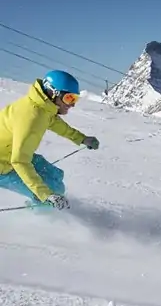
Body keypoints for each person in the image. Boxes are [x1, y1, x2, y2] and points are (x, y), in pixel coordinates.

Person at [0, 70, 100, 210]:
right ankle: (43, 220)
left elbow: (54, 122)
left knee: (55, 175)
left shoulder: (43, 107)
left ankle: (46, 201)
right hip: (4, 166)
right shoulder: (31, 118)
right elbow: (19, 161)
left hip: (10, 153)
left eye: (75, 99)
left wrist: (82, 139)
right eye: (69, 98)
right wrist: (46, 195)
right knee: (52, 192)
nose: (72, 104)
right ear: (53, 93)